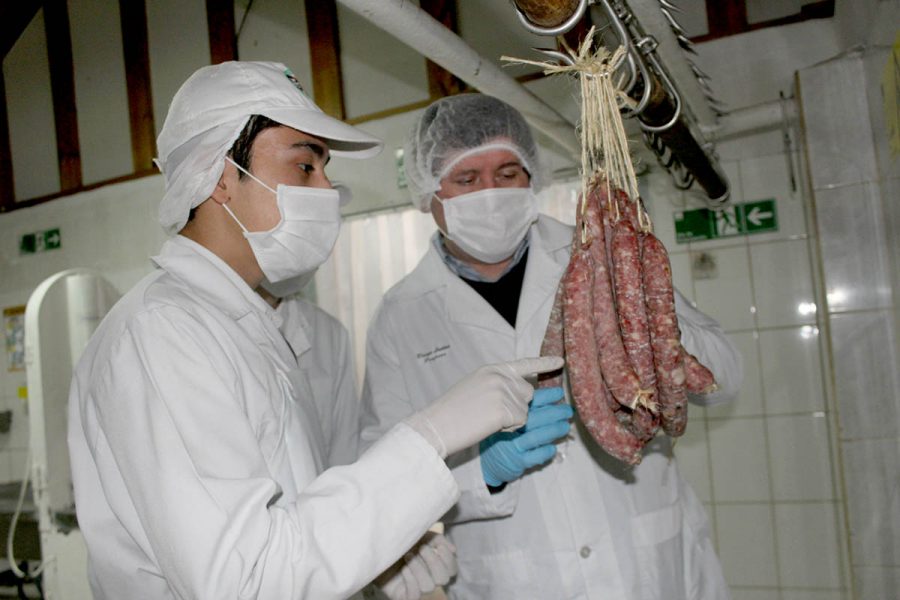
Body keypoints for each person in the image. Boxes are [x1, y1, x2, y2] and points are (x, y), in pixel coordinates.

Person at [67, 62, 562, 600]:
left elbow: (301, 518)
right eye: (305, 167)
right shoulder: (163, 334)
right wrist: (430, 437)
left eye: (325, 170)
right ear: (219, 177)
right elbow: (245, 581)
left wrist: (381, 555)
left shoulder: (247, 325)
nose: (328, 190)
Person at [360, 94, 744, 599]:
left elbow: (723, 380)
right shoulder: (401, 315)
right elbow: (389, 475)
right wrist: (484, 471)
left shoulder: (599, 254)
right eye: (467, 180)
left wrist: (646, 314)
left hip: (648, 568)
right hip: (513, 578)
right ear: (430, 192)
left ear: (533, 177)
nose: (491, 193)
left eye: (507, 172)